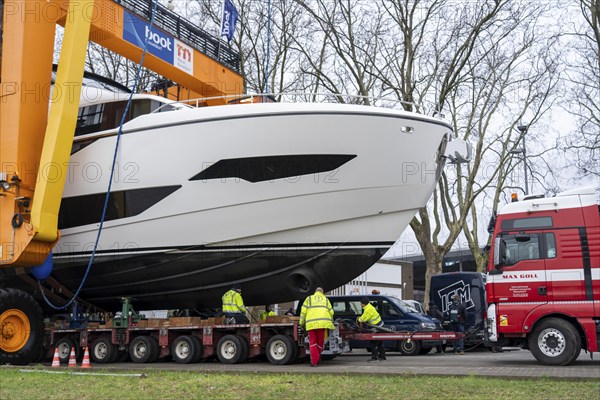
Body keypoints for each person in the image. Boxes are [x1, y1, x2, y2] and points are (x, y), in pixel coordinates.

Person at [299, 287, 335, 367]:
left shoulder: (309, 299)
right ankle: (318, 358)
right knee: (320, 342)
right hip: (323, 324)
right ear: (322, 293)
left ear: (315, 292)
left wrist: (301, 322)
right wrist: (331, 323)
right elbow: (331, 312)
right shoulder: (326, 300)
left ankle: (314, 362)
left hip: (311, 324)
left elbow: (303, 311)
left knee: (313, 342)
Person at [357, 297, 386, 362]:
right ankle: (382, 357)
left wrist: (358, 319)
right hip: (380, 325)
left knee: (374, 343)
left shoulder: (368, 309)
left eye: (361, 303)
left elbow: (363, 319)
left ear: (363, 304)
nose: (360, 305)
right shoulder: (370, 307)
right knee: (380, 343)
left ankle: (375, 358)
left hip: (377, 327)